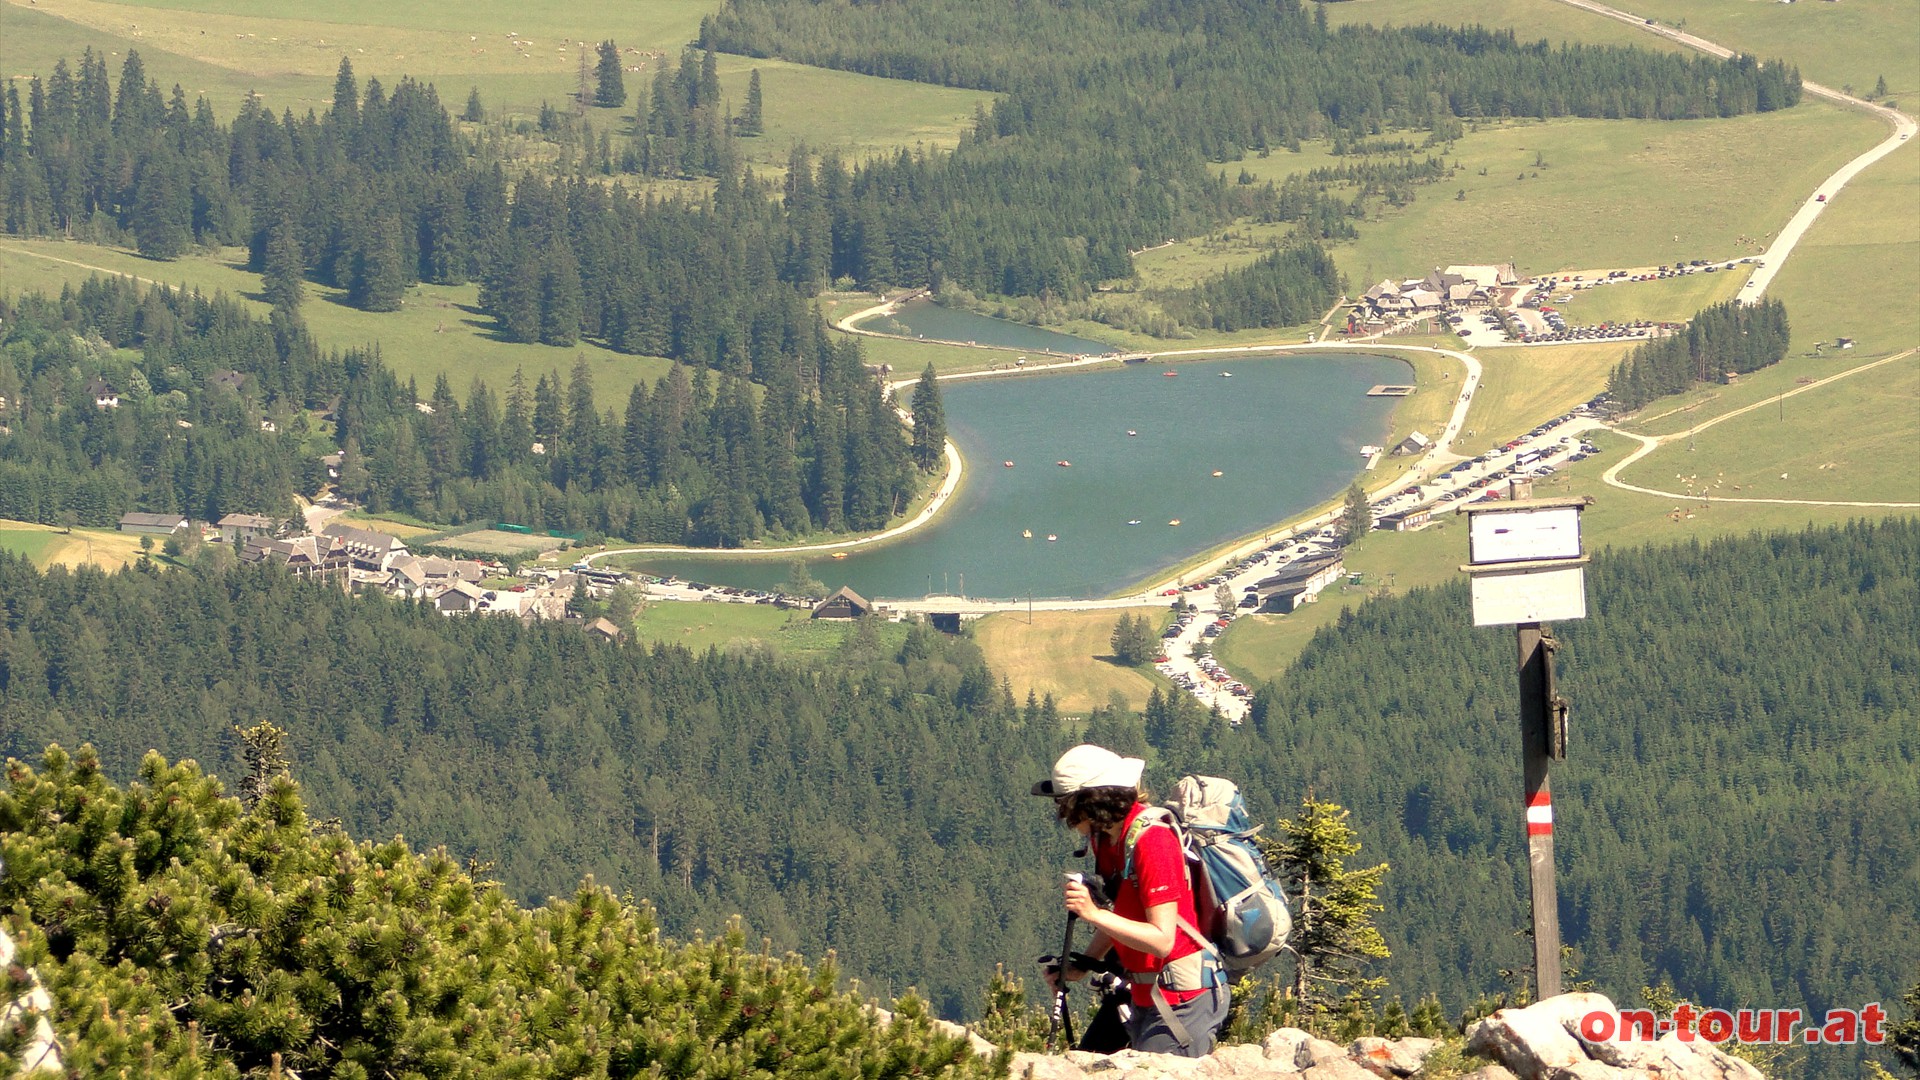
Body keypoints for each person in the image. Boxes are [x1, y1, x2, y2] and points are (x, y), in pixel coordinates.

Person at [1033, 744, 1228, 1057]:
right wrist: (1083, 964)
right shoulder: (1109, 840)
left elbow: (1162, 940)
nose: (1064, 816)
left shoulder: (1153, 842)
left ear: (1091, 802)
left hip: (1181, 999)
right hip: (1142, 995)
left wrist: (1093, 913)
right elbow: (1123, 915)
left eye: (1066, 805)